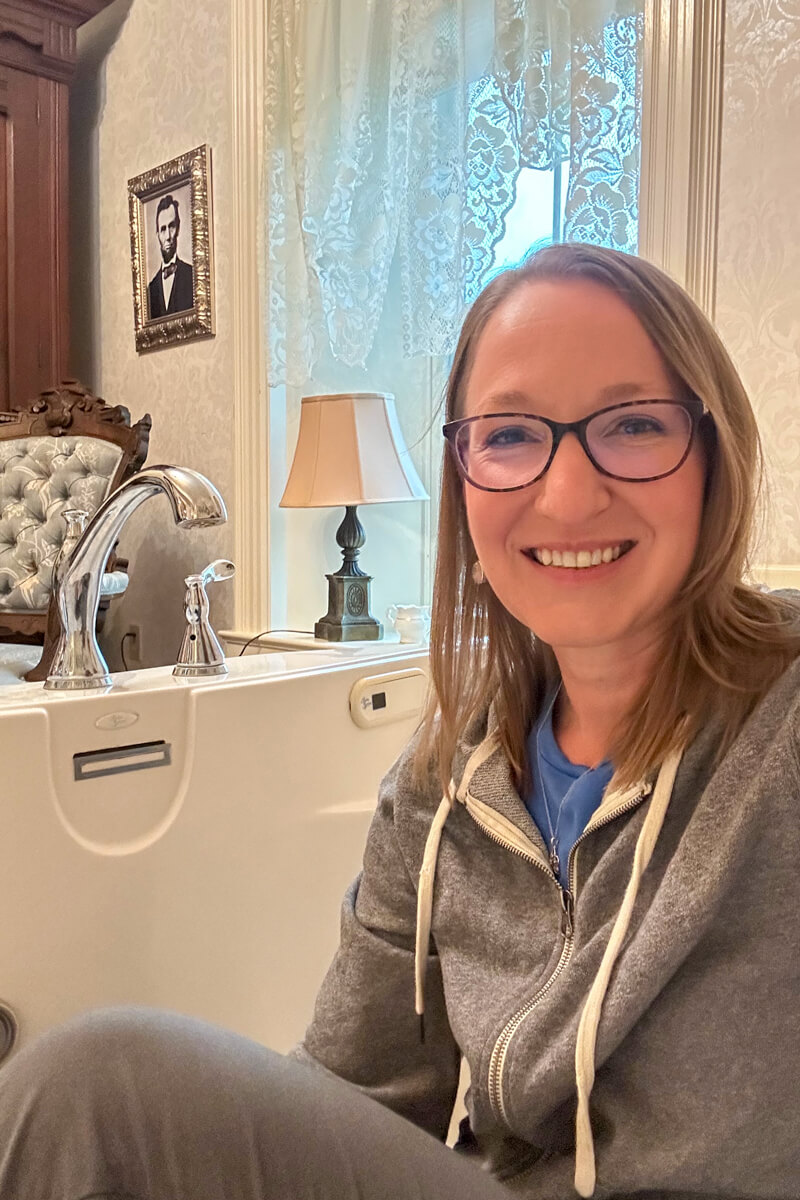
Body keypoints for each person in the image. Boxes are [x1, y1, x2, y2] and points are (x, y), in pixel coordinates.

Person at [2, 243, 799, 1200]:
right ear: (464, 478)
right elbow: (357, 1103)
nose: (569, 492)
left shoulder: (778, 733)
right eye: (509, 436)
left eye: (632, 424)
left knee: (102, 1085)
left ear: (715, 452)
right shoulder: (440, 787)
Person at [147, 194, 194, 319]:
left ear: (178, 228)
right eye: (163, 229)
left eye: (171, 226)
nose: (168, 236)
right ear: (157, 234)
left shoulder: (192, 276)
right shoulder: (150, 290)